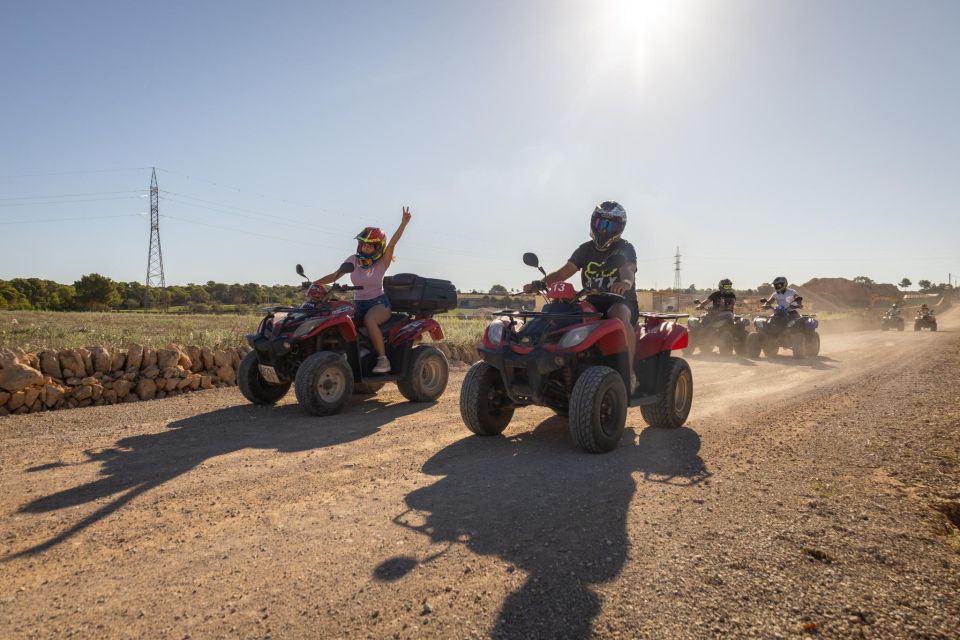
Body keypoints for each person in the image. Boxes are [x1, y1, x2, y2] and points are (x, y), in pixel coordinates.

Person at [523, 201, 639, 370]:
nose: (604, 230)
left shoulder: (625, 248)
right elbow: (563, 273)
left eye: (610, 225)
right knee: (564, 315)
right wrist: (541, 283)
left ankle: (629, 372)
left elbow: (628, 269)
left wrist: (625, 283)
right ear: (593, 223)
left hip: (621, 301)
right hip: (591, 302)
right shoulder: (585, 249)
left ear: (619, 228)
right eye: (600, 223)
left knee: (618, 313)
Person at [313, 207, 412, 373]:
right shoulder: (353, 260)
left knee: (369, 321)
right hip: (358, 303)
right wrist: (314, 284)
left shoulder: (382, 262)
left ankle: (383, 360)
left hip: (379, 303)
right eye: (363, 244)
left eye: (370, 245)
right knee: (335, 318)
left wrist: (403, 223)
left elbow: (393, 242)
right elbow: (334, 276)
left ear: (378, 247)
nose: (365, 247)